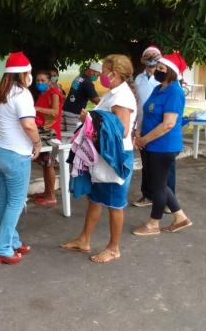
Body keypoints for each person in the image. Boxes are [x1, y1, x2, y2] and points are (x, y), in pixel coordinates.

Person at [61, 54, 136, 263]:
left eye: (103, 71)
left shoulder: (122, 98)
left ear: (114, 73)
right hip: (103, 155)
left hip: (115, 157)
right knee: (95, 199)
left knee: (115, 203)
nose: (100, 75)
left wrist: (89, 119)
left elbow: (121, 131)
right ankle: (84, 239)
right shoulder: (113, 93)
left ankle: (113, 248)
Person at [0, 52, 41, 265]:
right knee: (16, 203)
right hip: (16, 155)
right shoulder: (22, 94)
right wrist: (37, 143)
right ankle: (2, 248)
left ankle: (12, 240)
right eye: (29, 72)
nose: (31, 75)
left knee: (5, 200)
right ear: (22, 74)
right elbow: (28, 124)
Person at [133, 53, 193, 236]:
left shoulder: (174, 91)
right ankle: (181, 217)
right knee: (158, 182)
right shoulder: (158, 88)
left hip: (163, 146)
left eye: (161, 68)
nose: (157, 69)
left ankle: (153, 224)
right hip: (151, 144)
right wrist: (138, 132)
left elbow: (168, 124)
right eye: (157, 67)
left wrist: (144, 139)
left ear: (172, 72)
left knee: (158, 185)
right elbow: (148, 112)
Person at [132, 46, 162, 208]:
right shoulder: (139, 79)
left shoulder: (164, 78)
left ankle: (166, 199)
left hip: (159, 128)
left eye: (154, 57)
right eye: (148, 57)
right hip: (143, 127)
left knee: (161, 166)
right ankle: (147, 195)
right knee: (147, 164)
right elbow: (137, 104)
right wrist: (136, 129)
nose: (151, 60)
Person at [31, 70, 63, 206]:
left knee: (49, 165)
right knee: (45, 165)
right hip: (44, 132)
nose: (40, 83)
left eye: (43, 81)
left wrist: (36, 108)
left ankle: (51, 196)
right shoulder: (43, 94)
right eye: (38, 81)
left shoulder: (53, 94)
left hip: (52, 135)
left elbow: (55, 113)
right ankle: (47, 192)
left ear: (49, 81)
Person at [61, 62, 101, 136]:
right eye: (97, 75)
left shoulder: (79, 78)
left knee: (63, 137)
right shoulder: (88, 83)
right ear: (92, 71)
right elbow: (96, 100)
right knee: (73, 137)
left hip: (65, 109)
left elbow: (87, 96)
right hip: (74, 113)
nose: (97, 78)